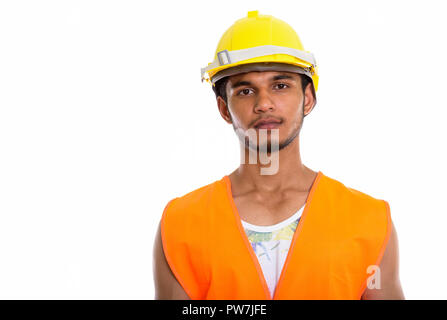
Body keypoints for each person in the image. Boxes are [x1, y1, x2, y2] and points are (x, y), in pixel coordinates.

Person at [153, 10, 404, 300]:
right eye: (246, 91)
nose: (264, 103)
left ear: (307, 98)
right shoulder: (181, 224)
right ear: (224, 109)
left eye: (280, 86)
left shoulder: (368, 220)